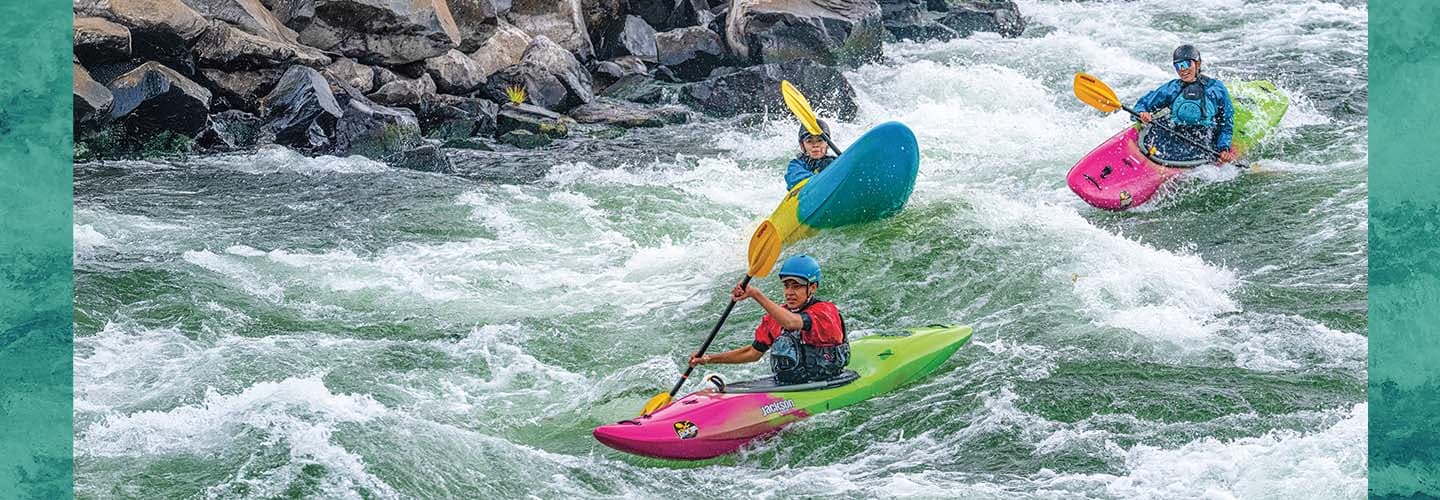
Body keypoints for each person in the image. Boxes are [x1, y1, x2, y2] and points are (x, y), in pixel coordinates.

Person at [688, 255, 850, 384]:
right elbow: (752, 353)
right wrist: (709, 359)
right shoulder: (775, 318)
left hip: (827, 381)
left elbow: (792, 323)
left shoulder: (825, 312)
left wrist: (755, 294)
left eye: (796, 286)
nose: (789, 292)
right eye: (786, 286)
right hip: (791, 384)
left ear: (812, 287)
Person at [1134, 44, 1238, 163]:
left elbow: (1226, 123)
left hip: (1203, 138)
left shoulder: (1215, 89)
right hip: (1174, 135)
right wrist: (1142, 113)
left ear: (1197, 64)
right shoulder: (1172, 88)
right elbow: (1143, 104)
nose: (1182, 69)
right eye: (1178, 66)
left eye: (1186, 64)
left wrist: (1223, 147)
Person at [785, 120, 837, 191]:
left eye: (820, 140)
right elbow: (795, 179)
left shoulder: (836, 162)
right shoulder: (796, 164)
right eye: (809, 141)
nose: (815, 145)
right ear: (802, 145)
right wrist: (823, 177)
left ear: (827, 144)